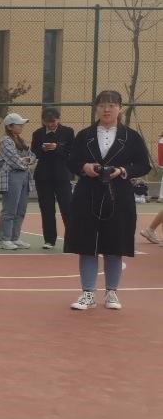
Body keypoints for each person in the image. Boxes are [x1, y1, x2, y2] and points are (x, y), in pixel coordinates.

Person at [65, 91, 152, 311]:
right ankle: (88, 293)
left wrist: (122, 170)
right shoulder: (84, 135)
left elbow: (143, 164)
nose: (106, 110)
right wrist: (84, 167)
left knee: (115, 244)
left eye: (112, 105)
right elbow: (71, 161)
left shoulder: (131, 137)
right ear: (96, 108)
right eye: (102, 105)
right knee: (88, 245)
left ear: (120, 108)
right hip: (87, 194)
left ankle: (112, 292)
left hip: (119, 195)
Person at [30, 107, 75, 250]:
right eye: (47, 122)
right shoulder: (38, 133)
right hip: (43, 176)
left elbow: (72, 151)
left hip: (62, 175)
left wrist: (57, 147)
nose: (50, 125)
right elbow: (34, 152)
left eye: (53, 121)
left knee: (67, 207)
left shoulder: (68, 132)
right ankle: (49, 240)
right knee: (47, 208)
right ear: (43, 121)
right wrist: (42, 149)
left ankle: (72, 240)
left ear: (58, 119)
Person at [0, 113, 35, 251]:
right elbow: (14, 160)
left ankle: (14, 238)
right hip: (12, 176)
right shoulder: (5, 141)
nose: (22, 126)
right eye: (19, 124)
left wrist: (27, 160)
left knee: (21, 209)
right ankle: (4, 239)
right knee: (10, 209)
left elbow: (32, 156)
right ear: (10, 127)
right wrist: (26, 161)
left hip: (24, 176)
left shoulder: (20, 140)